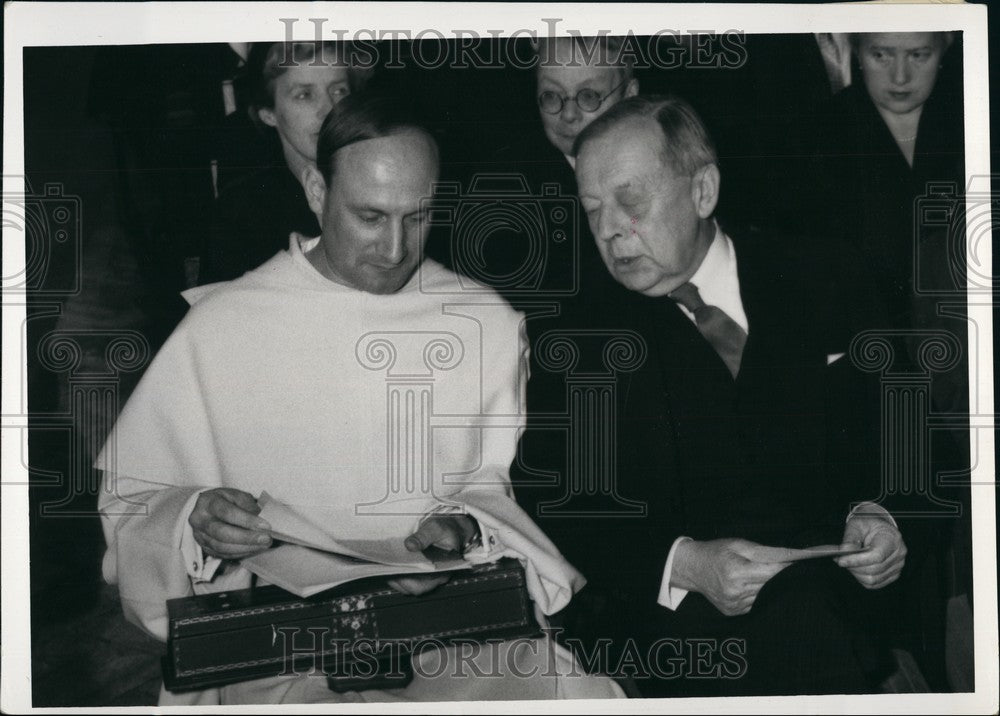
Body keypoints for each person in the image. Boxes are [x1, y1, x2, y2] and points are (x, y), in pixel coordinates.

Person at [96, 92, 622, 705]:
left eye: (418, 216)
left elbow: (504, 489)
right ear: (317, 191)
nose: (395, 249)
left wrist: (465, 531)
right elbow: (133, 508)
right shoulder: (224, 325)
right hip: (276, 650)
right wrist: (196, 521)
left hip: (454, 635)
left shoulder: (484, 322)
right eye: (370, 217)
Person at [525, 93, 913, 697]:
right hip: (681, 642)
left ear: (703, 190)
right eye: (592, 208)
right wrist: (684, 563)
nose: (608, 230)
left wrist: (882, 512)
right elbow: (555, 494)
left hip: (841, 616)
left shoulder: (828, 274)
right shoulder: (576, 336)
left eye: (630, 201)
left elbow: (906, 430)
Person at [199, 41, 374, 284]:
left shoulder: (384, 185)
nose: (329, 110)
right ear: (269, 114)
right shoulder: (240, 212)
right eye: (304, 95)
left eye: (339, 91)